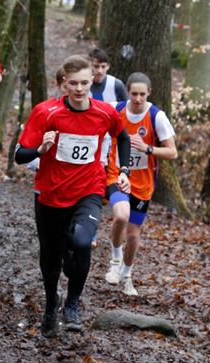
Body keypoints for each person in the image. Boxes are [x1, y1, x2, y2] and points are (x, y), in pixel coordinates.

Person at [14, 55, 131, 337]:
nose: (79, 89)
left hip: (89, 190)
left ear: (93, 81)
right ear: (63, 83)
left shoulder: (105, 113)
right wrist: (41, 150)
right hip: (51, 194)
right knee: (50, 260)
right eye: (73, 84)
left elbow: (123, 137)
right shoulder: (47, 112)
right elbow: (20, 155)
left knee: (81, 241)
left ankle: (72, 303)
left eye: (84, 83)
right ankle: (51, 303)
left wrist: (124, 170)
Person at [104, 72, 178, 296]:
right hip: (116, 175)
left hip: (143, 182)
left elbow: (172, 152)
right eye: (134, 94)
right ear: (127, 92)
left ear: (149, 93)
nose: (137, 99)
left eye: (142, 94)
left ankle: (127, 275)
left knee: (134, 234)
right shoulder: (115, 110)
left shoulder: (156, 116)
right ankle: (115, 260)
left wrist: (147, 148)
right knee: (120, 217)